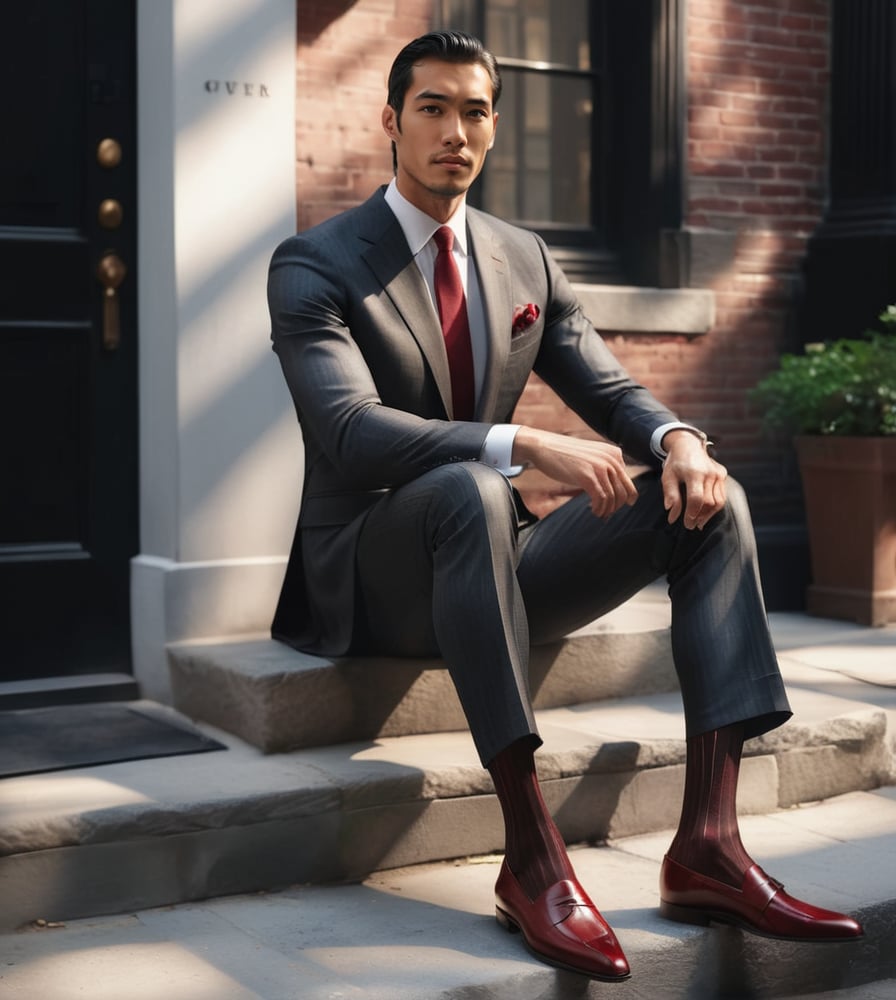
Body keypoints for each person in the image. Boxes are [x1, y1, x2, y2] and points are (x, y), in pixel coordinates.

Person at [267, 30, 863, 981]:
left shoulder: (521, 258)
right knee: (470, 483)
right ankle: (531, 857)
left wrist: (677, 440)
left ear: (495, 129)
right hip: (373, 575)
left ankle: (709, 844)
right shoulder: (315, 263)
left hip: (490, 557)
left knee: (711, 496)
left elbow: (614, 390)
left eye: (476, 111)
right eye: (432, 108)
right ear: (390, 121)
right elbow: (350, 430)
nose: (455, 131)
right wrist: (523, 443)